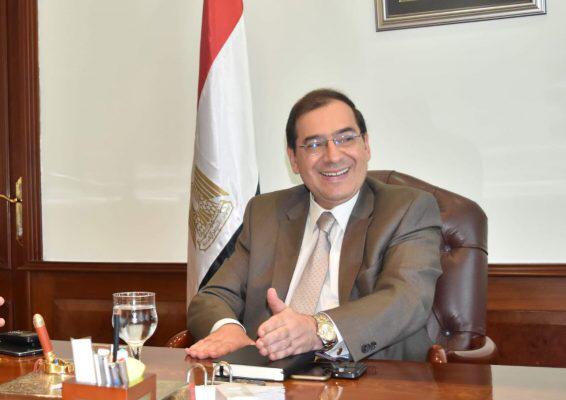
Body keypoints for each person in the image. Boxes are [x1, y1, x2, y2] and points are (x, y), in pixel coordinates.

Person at [186, 89, 442, 362]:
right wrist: (228, 330)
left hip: (371, 376)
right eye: (314, 145)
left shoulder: (407, 209)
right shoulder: (265, 214)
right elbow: (213, 296)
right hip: (271, 377)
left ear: (366, 145)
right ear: (293, 159)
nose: (333, 155)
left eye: (345, 138)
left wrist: (319, 330)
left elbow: (407, 299)